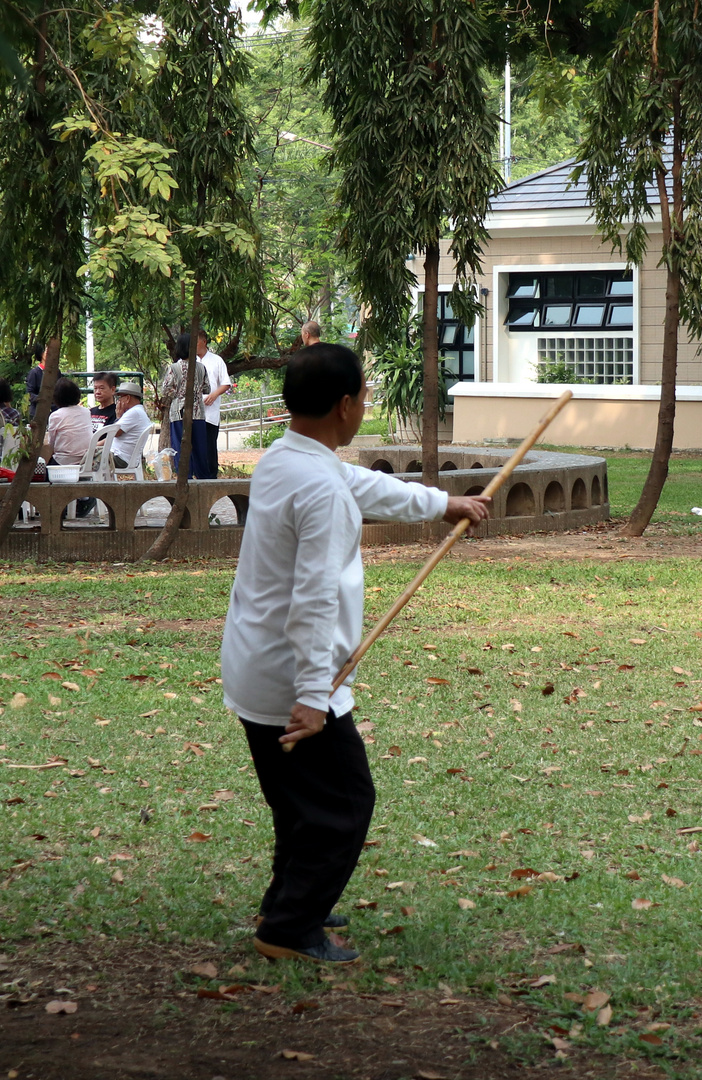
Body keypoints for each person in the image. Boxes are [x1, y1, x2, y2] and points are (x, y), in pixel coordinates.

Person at [220, 343, 491, 964]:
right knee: (343, 804)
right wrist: (315, 697)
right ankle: (289, 928)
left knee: (298, 799)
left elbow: (360, 482)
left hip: (255, 664)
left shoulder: (285, 460)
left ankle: (289, 899)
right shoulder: (321, 491)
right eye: (364, 397)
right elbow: (314, 602)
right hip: (293, 678)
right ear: (345, 406)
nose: (364, 406)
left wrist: (441, 503)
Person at [157, 334, 209, 482]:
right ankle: (203, 477)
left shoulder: (173, 368)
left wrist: (179, 393)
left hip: (178, 412)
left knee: (180, 444)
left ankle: (185, 476)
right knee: (200, 446)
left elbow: (166, 389)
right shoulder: (201, 368)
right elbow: (207, 388)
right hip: (198, 411)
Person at [197, 330, 233, 480]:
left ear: (204, 341)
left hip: (210, 413)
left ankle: (211, 478)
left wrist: (213, 394)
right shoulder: (188, 361)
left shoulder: (216, 360)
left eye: (196, 340)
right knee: (195, 446)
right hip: (193, 411)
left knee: (209, 446)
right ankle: (196, 475)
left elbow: (226, 383)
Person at [97, 382, 152, 473]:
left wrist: (118, 416)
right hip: (123, 457)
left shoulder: (133, 412)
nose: (118, 401)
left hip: (120, 458)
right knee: (89, 453)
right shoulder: (138, 411)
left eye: (120, 398)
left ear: (127, 398)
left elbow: (114, 433)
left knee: (86, 457)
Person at [42, 377, 93, 468]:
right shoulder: (86, 412)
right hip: (85, 459)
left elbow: (51, 443)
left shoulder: (56, 416)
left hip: (63, 461)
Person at [23, 344, 46, 420]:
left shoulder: (56, 372)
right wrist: (42, 398)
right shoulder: (34, 373)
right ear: (42, 354)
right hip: (37, 412)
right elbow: (29, 394)